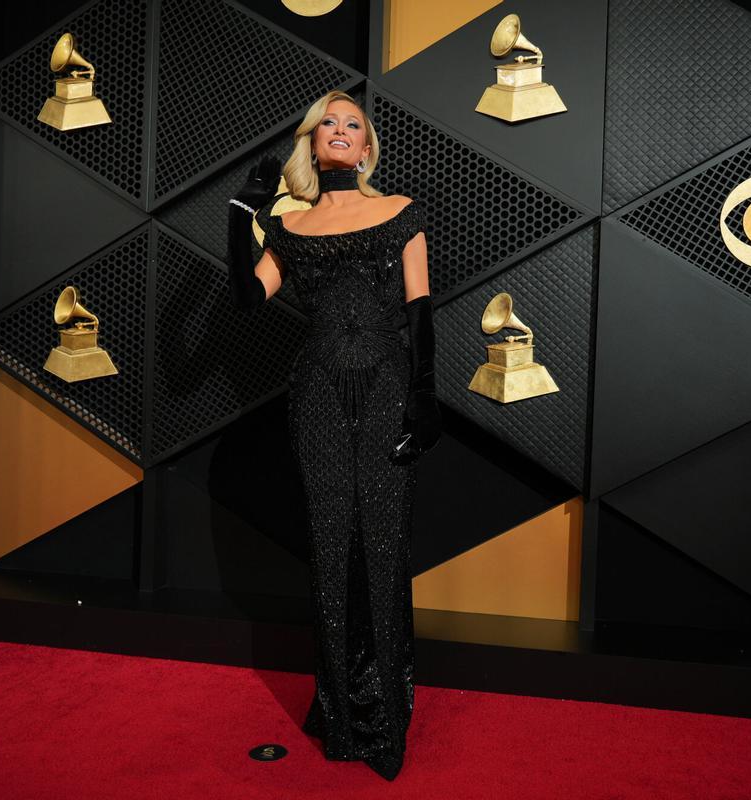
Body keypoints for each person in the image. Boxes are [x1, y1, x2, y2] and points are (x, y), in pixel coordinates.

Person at [224, 88, 441, 781]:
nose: (341, 131)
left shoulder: (401, 212)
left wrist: (426, 395)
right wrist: (240, 214)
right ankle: (344, 716)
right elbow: (245, 300)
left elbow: (420, 310)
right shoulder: (289, 229)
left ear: (367, 147)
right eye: (329, 124)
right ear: (313, 144)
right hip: (315, 395)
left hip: (385, 392)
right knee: (328, 546)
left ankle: (386, 724)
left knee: (381, 545)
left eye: (353, 124)